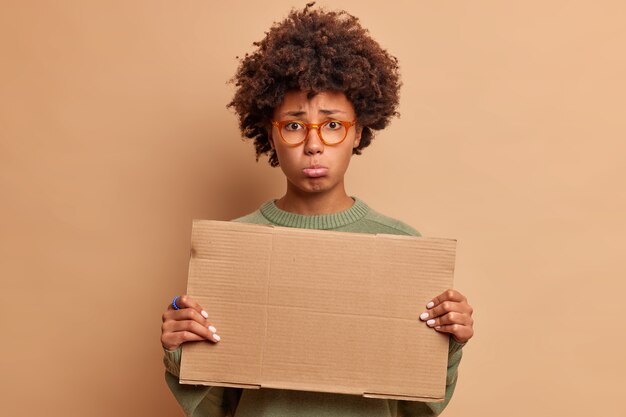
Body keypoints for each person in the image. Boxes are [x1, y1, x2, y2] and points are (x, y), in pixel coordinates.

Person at [161, 3, 474, 416]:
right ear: (268, 133)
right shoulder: (233, 250)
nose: (313, 144)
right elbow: (216, 410)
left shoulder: (403, 248)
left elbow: (415, 410)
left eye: (332, 125)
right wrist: (181, 351)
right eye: (293, 125)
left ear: (358, 131)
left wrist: (448, 346)